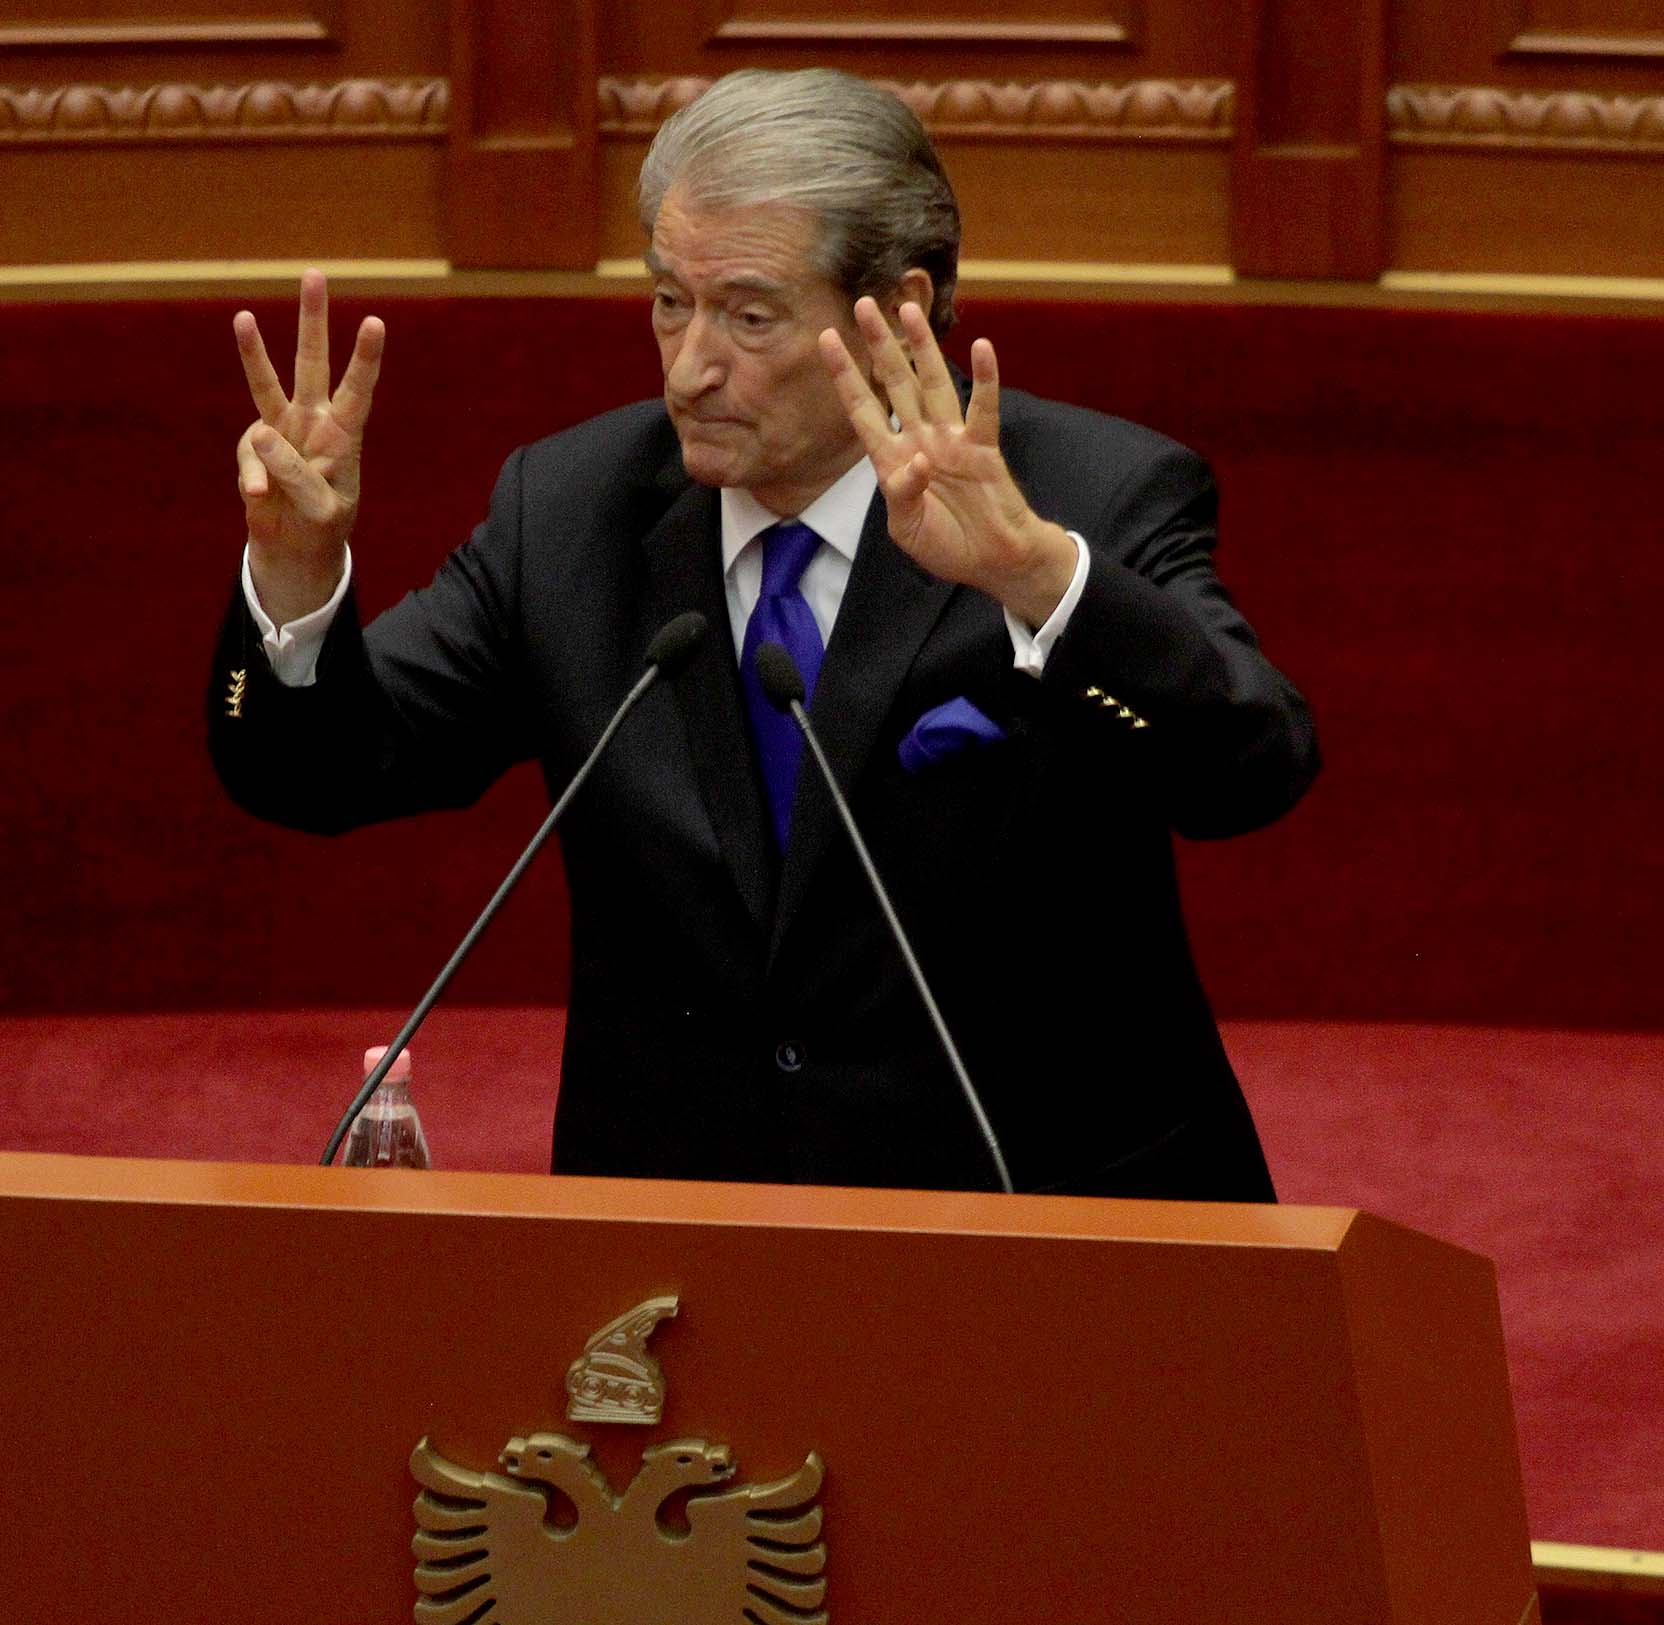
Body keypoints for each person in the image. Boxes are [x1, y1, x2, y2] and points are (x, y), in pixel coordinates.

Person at [207, 67, 1319, 1200]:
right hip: (682, 1237)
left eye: (748, 314)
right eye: (667, 301)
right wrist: (295, 573)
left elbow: (1252, 766)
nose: (690, 367)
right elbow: (317, 765)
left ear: (898, 308)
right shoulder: (571, 510)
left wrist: (1038, 580)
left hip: (1038, 1219)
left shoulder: (1091, 491)